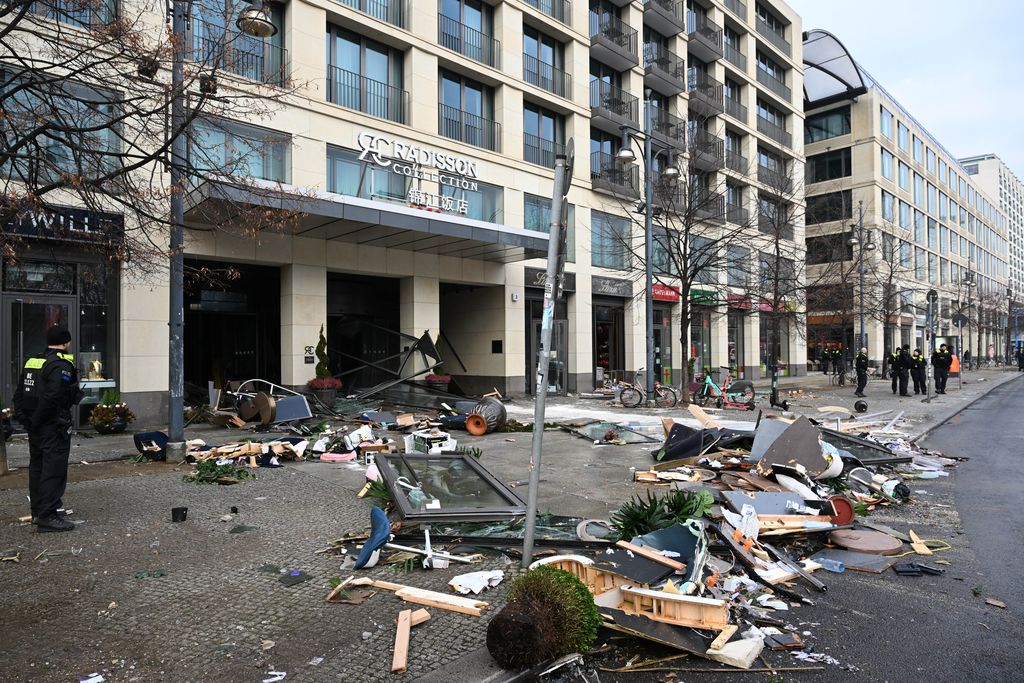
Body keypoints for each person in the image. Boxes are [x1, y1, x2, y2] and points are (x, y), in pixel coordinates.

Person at [11, 326, 82, 532]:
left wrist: (26, 420)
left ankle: (38, 511)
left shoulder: (33, 361)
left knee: (38, 467)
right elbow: (53, 397)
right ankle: (48, 516)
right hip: (52, 426)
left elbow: (20, 393)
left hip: (35, 425)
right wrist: (39, 421)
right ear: (66, 343)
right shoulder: (62, 365)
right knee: (54, 469)